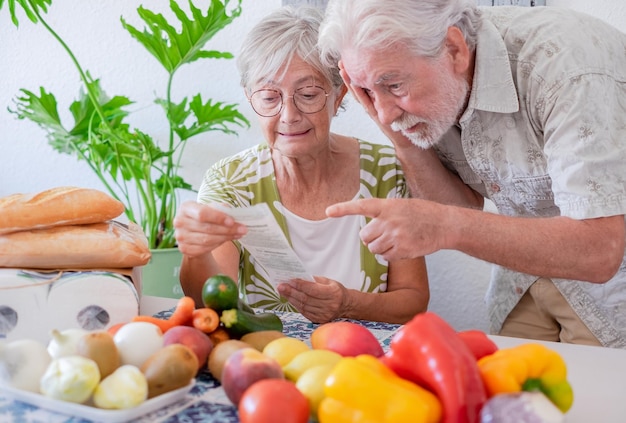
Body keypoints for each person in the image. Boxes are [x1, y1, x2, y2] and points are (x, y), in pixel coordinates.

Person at [318, 0, 626, 348]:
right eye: (368, 91)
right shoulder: (424, 88)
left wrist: (443, 225)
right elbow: (460, 206)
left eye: (393, 86)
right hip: (522, 278)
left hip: (610, 288)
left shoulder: (568, 72)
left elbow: (600, 251)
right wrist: (400, 139)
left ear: (455, 49)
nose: (384, 113)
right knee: (506, 397)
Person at [173, 5, 429, 324]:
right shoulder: (231, 181)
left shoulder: (386, 170)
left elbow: (413, 298)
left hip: (364, 362)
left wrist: (348, 304)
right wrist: (194, 252)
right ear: (251, 99)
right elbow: (209, 302)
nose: (289, 116)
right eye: (269, 97)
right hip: (267, 356)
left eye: (307, 94)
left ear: (338, 96)